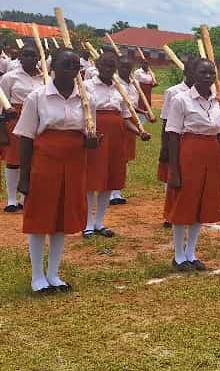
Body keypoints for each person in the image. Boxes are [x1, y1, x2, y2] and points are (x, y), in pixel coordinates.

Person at [16, 49, 97, 294]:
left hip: (73, 163)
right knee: (41, 218)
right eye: (65, 64)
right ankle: (37, 276)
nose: (71, 69)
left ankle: (53, 273)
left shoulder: (86, 99)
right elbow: (26, 138)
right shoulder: (37, 97)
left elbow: (88, 134)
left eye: (75, 65)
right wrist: (24, 176)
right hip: (45, 163)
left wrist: (91, 142)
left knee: (62, 218)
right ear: (53, 67)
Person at [165, 60, 220, 271]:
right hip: (189, 152)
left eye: (211, 73)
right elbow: (172, 134)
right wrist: (174, 170)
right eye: (202, 72)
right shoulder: (181, 100)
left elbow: (218, 131)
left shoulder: (219, 100)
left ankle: (191, 252)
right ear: (193, 74)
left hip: (213, 155)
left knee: (202, 203)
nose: (207, 76)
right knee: (185, 203)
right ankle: (179, 255)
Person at [83, 52, 149, 238]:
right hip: (95, 134)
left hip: (116, 135)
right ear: (97, 65)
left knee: (109, 179)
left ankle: (99, 222)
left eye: (111, 66)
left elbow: (125, 116)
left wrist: (139, 131)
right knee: (92, 178)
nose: (107, 69)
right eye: (104, 65)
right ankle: (87, 224)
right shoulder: (86, 86)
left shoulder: (119, 88)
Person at [0, 47, 45, 213]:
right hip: (15, 118)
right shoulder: (9, 77)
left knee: (34, 158)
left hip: (39, 118)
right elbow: (2, 103)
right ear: (19, 57)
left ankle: (24, 198)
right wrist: (2, 128)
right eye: (26, 55)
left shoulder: (45, 77)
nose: (30, 58)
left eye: (33, 55)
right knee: (14, 160)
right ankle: (11, 198)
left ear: (39, 57)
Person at [159, 58, 198, 228]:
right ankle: (171, 214)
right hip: (176, 139)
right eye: (194, 71)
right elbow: (166, 121)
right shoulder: (173, 92)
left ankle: (189, 211)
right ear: (186, 72)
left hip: (193, 143)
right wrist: (165, 146)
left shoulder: (207, 92)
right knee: (174, 179)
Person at [109, 54, 152, 205]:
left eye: (129, 67)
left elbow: (131, 105)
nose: (126, 70)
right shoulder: (114, 83)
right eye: (123, 67)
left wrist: (144, 112)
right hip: (118, 120)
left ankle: (116, 190)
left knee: (125, 156)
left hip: (131, 119)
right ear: (117, 68)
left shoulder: (133, 83)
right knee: (116, 155)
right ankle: (112, 192)